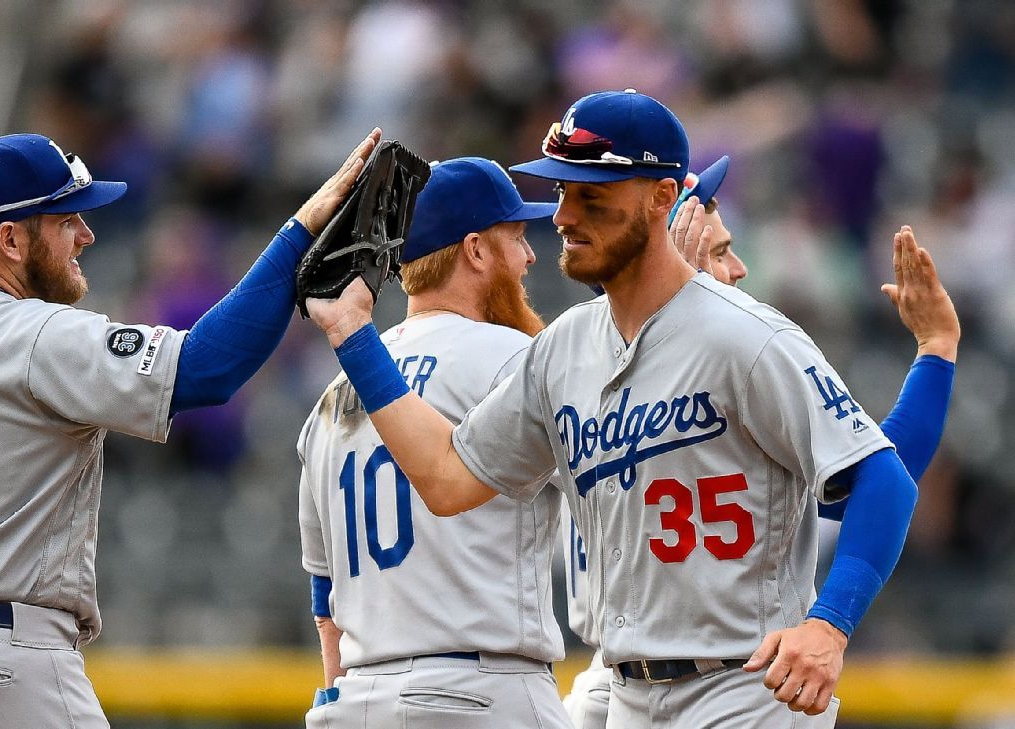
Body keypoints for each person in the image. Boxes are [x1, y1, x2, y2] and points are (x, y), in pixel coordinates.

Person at [304, 90, 920, 728]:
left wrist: (830, 625)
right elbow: (444, 477)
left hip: (743, 690)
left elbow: (883, 478)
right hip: (624, 695)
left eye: (592, 195)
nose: (566, 215)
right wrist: (354, 337)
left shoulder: (746, 337)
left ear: (661, 197)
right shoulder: (561, 349)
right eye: (564, 190)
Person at [0, 129, 383, 729]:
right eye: (64, 219)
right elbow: (206, 369)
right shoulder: (32, 335)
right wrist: (296, 235)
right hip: (1, 671)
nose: (85, 234)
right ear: (10, 239)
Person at [558, 157, 960, 729]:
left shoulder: (577, 359)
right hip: (630, 682)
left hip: (702, 681)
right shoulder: (578, 358)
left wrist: (935, 351)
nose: (740, 269)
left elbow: (872, 474)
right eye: (719, 251)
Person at [297, 157, 572, 729]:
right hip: (481, 690)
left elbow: (325, 594)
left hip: (356, 699)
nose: (530, 257)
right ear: (475, 250)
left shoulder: (335, 393)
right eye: (517, 237)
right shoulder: (513, 360)